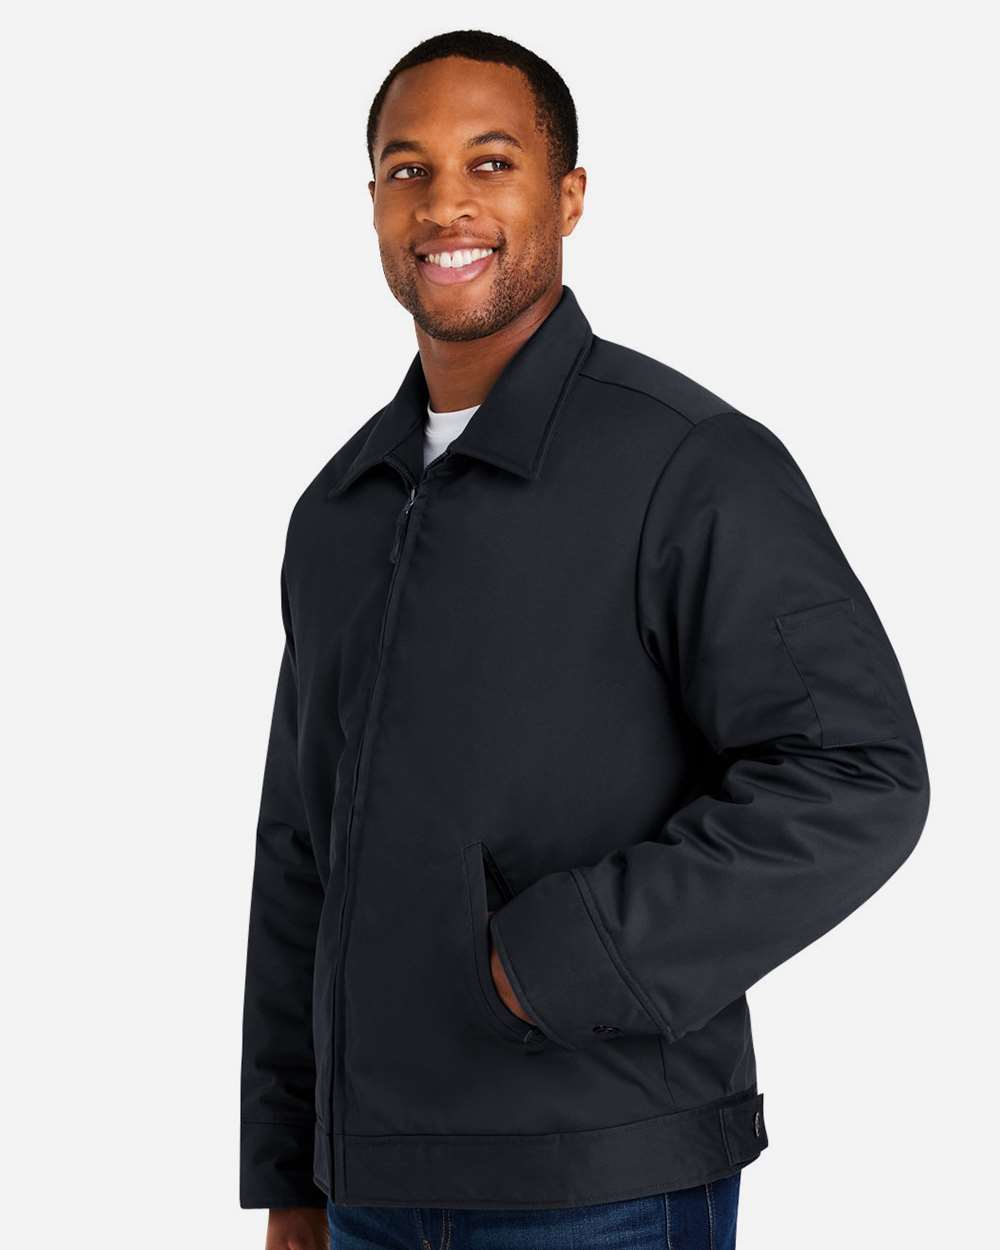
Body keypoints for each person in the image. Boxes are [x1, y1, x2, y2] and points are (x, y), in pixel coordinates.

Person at [240, 29, 930, 1250]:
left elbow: (856, 773)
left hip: (605, 1179)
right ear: (374, 204)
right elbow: (300, 847)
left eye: (490, 162)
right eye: (407, 170)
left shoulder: (690, 464)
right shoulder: (337, 510)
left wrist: (571, 957)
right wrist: (291, 1169)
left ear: (565, 197)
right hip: (368, 1190)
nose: (444, 203)